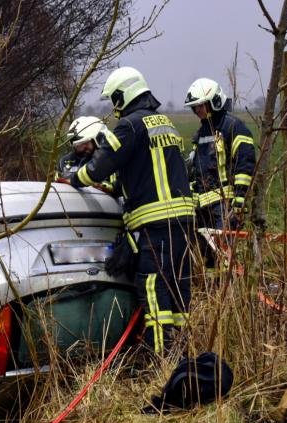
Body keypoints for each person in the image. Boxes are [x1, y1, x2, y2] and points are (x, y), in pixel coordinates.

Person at [70, 67, 196, 355]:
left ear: (123, 95)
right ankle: (181, 354)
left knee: (153, 288)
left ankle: (160, 360)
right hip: (183, 223)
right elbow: (145, 171)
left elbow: (98, 167)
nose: (114, 107)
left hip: (154, 225)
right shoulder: (167, 123)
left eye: (114, 99)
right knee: (179, 288)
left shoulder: (129, 126)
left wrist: (73, 179)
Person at [184, 78, 256, 272]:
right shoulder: (201, 133)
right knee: (206, 255)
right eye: (195, 107)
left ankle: (229, 291)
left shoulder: (233, 127)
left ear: (214, 101)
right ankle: (215, 294)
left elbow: (245, 163)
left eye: (201, 105)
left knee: (224, 254)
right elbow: (197, 169)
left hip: (224, 206)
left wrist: (239, 198)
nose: (198, 110)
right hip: (202, 207)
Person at [56, 116, 114, 193]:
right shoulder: (65, 161)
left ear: (98, 139)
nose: (80, 148)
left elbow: (116, 188)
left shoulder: (110, 161)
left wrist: (102, 185)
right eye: (77, 145)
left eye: (84, 143)